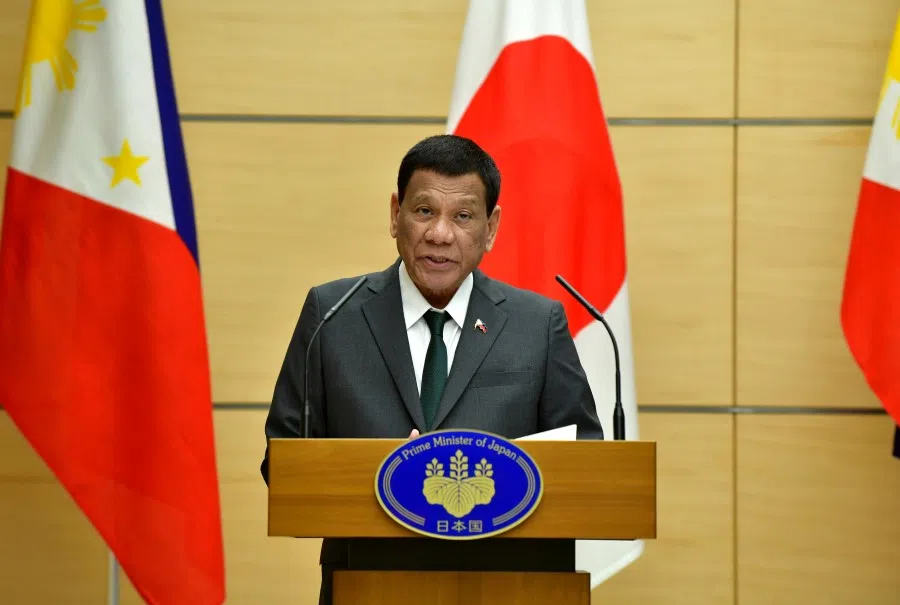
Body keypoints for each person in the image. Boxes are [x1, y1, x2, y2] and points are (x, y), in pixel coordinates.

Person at [260, 134, 604, 604]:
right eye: (424, 211)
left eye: (463, 216)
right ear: (395, 214)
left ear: (490, 228)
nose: (440, 234)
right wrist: (388, 474)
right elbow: (282, 464)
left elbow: (588, 465)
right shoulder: (332, 316)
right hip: (369, 584)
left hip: (510, 586)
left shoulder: (537, 325)